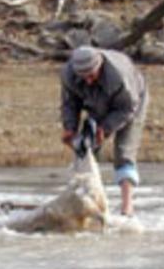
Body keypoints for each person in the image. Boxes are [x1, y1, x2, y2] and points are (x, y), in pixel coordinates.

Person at [60, 46, 149, 216]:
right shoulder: (69, 75)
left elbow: (127, 108)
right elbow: (69, 104)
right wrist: (69, 128)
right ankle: (86, 201)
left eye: (91, 75)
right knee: (85, 149)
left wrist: (105, 128)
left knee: (124, 151)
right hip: (96, 100)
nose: (87, 81)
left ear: (99, 66)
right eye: (83, 77)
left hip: (131, 103)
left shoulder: (119, 76)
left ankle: (127, 207)